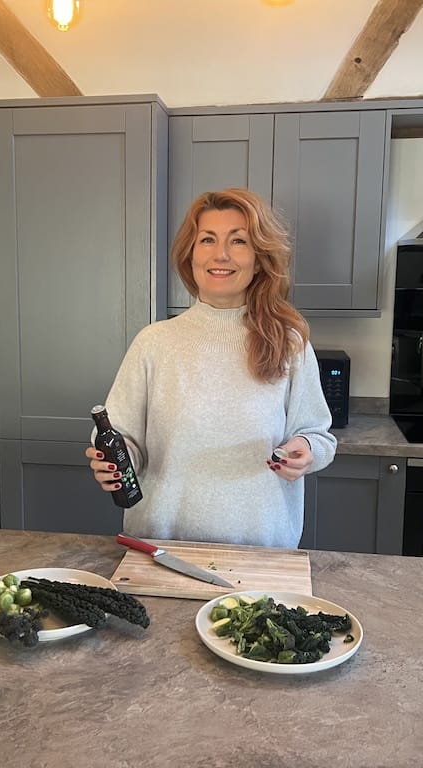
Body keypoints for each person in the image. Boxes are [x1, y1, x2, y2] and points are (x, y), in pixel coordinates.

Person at [85, 188, 337, 548]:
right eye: (207, 239)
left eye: (238, 241)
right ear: (190, 255)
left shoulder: (289, 342)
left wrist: (306, 449)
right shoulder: (154, 342)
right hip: (161, 545)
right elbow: (123, 440)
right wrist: (114, 457)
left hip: (261, 548)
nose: (220, 254)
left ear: (259, 258)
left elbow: (319, 436)